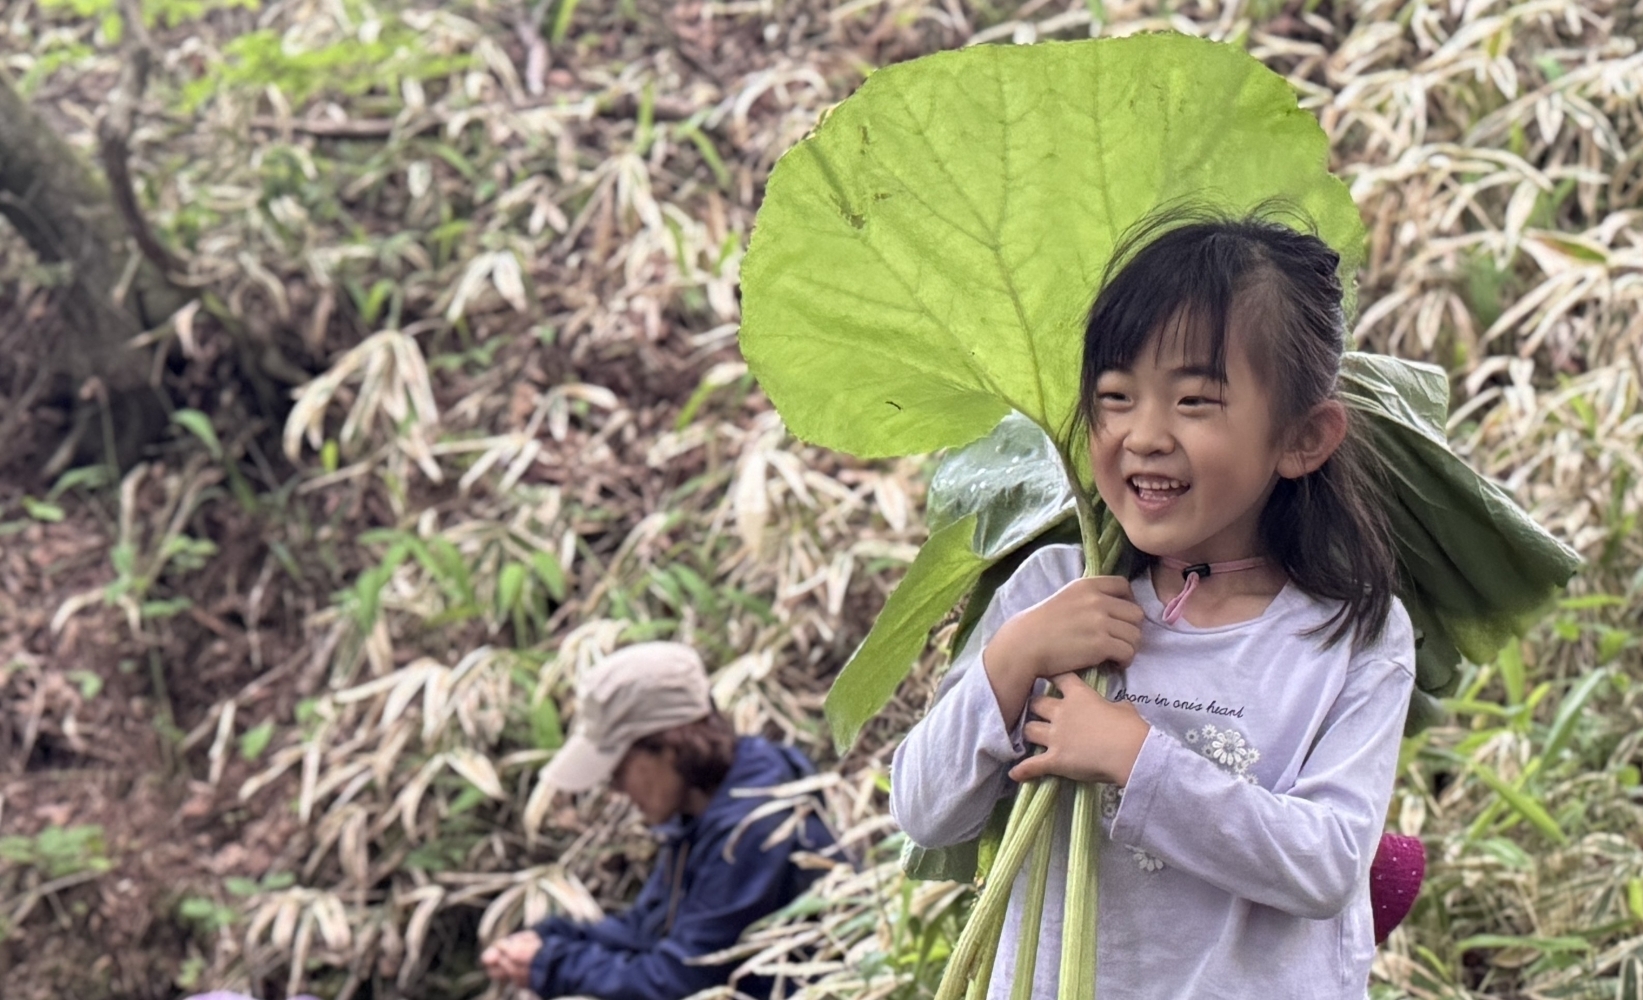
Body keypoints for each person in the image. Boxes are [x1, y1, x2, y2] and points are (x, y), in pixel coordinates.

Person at [890, 210, 1419, 999]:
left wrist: (1137, 759)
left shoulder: (1352, 633)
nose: (1143, 434)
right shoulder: (1050, 593)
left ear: (1303, 438)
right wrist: (1010, 662)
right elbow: (926, 812)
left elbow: (1327, 866)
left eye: (1195, 401)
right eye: (1115, 395)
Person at [483, 642, 837, 1000]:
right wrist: (553, 938)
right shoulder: (707, 802)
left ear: (669, 748)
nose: (615, 789)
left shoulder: (755, 823)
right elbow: (649, 929)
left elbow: (680, 983)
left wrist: (551, 965)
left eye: (618, 770)